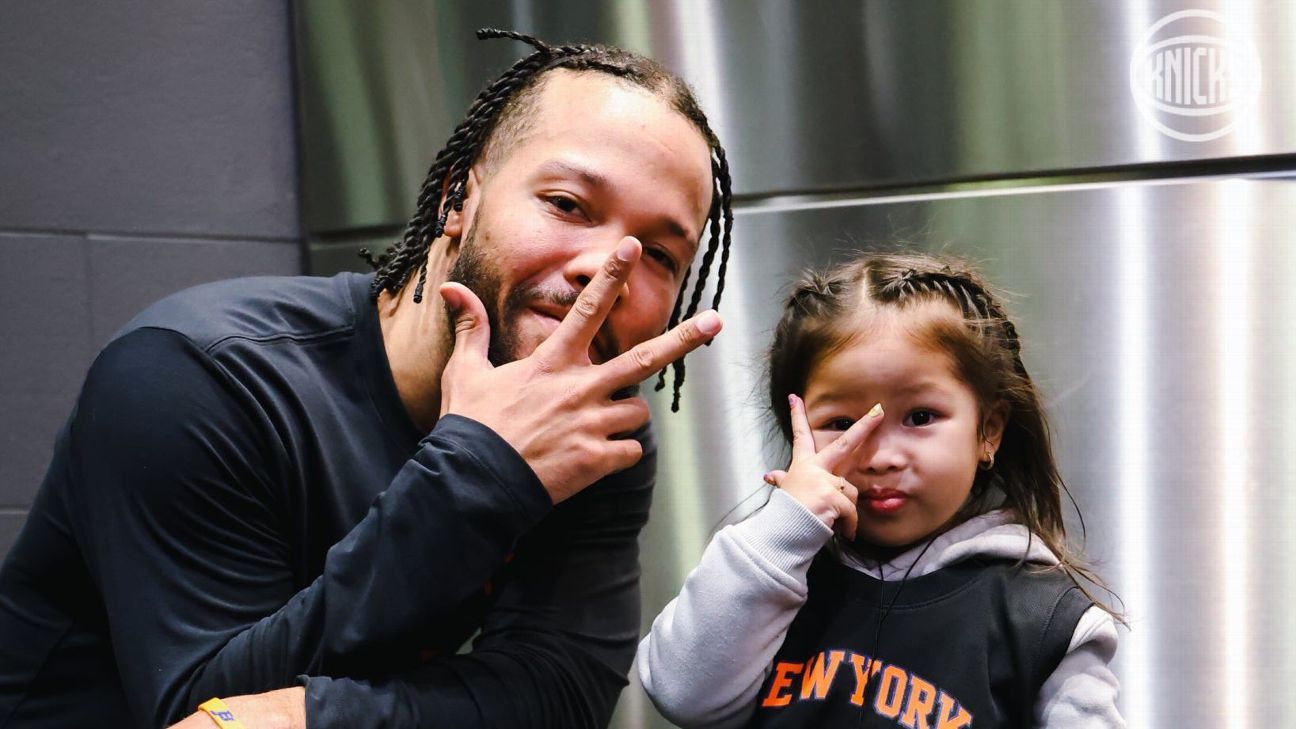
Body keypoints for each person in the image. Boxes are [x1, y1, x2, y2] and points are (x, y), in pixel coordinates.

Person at [0, 30, 734, 729]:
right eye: (568, 205)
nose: (605, 269)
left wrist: (312, 715)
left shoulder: (589, 428)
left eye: (661, 257)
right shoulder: (194, 375)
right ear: (457, 199)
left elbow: (559, 693)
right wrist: (478, 471)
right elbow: (207, 708)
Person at [636, 252, 1124, 728]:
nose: (880, 456)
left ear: (988, 431)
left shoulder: (1042, 617)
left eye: (919, 417)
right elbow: (681, 695)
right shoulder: (769, 578)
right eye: (842, 423)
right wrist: (781, 532)